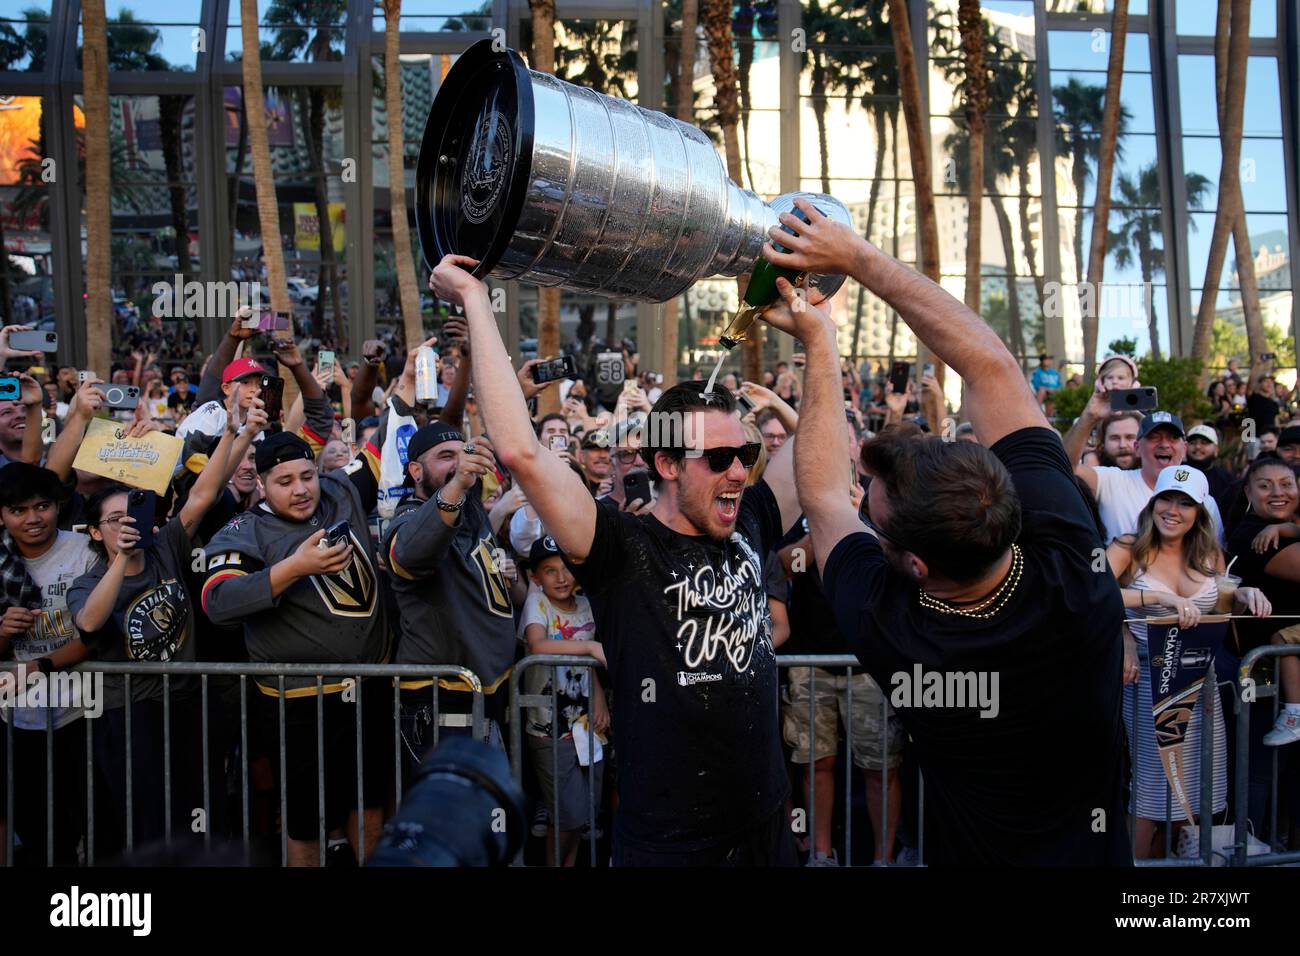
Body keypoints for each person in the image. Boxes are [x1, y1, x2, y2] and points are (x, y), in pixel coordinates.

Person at [761, 196, 1130, 865]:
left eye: (869, 504)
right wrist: (859, 259)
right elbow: (991, 364)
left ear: (915, 566)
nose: (858, 497)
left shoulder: (897, 629)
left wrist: (820, 341)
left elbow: (818, 493)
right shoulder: (1075, 570)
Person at [430, 253, 803, 867]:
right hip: (671, 848)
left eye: (745, 452)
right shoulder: (619, 548)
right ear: (666, 464)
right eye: (718, 458)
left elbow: (816, 465)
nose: (739, 469)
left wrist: (817, 337)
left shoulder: (751, 518)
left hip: (765, 835)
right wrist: (474, 299)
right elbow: (521, 452)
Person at [67, 392, 263, 853]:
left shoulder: (166, 548)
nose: (124, 525)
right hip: (132, 714)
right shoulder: (89, 580)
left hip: (188, 702)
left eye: (131, 516)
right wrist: (122, 559)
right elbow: (90, 624)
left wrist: (238, 431)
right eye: (113, 520)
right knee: (148, 823)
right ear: (95, 532)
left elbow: (202, 495)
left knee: (197, 813)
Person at [200, 422, 393, 866]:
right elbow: (218, 601)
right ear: (262, 484)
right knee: (305, 821)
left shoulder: (339, 491)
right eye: (284, 482)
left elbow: (389, 436)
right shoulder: (243, 529)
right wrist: (295, 567)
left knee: (369, 810)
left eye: (307, 476)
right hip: (299, 702)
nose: (301, 489)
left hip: (370, 689)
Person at [1105, 466, 1270, 858]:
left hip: (1202, 686)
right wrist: (1144, 612)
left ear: (1199, 511)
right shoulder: (1129, 547)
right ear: (1152, 503)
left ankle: (1178, 877)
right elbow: (1094, 594)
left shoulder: (1207, 551)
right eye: (1166, 499)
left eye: (1186, 503)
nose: (1173, 510)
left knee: (1196, 792)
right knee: (1150, 789)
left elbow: (1218, 606)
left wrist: (1245, 593)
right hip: (1148, 685)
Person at [382, 419, 525, 760]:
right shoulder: (408, 519)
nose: (460, 463)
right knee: (454, 809)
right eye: (446, 456)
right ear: (416, 470)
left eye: (463, 455)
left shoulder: (471, 509)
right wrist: (458, 483)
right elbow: (410, 552)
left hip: (493, 691)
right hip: (444, 698)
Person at [0, 463, 98, 865]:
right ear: (2, 516)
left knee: (89, 820)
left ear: (58, 506)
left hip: (85, 713)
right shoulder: (3, 561)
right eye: (18, 510)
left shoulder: (86, 552)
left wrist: (38, 666)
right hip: (18, 720)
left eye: (42, 506)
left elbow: (96, 635)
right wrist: (5, 630)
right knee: (36, 826)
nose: (32, 518)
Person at [520, 535, 608, 867]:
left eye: (566, 569)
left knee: (584, 811)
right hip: (549, 726)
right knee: (566, 813)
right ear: (536, 578)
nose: (561, 578)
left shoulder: (586, 607)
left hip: (587, 725)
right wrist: (588, 648)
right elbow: (538, 645)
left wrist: (599, 696)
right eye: (550, 571)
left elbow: (590, 670)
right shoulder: (537, 604)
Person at [1072, 408, 1224, 544]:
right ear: (1137, 448)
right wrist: (1089, 416)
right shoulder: (1112, 480)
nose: (1164, 444)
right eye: (1154, 437)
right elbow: (1065, 466)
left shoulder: (1204, 501)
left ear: (1184, 448)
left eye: (1172, 438)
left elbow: (1214, 559)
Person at [1229, 459, 1300, 747]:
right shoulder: (1252, 535)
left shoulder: (1285, 528)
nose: (1277, 492)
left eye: (1286, 484)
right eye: (1264, 485)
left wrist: (1285, 527)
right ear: (1248, 492)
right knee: (1262, 774)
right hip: (1267, 682)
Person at [1183, 424, 1235, 514]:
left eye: (1204, 443)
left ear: (1216, 450)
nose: (1198, 447)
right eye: (1193, 443)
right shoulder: (1175, 473)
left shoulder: (1227, 481)